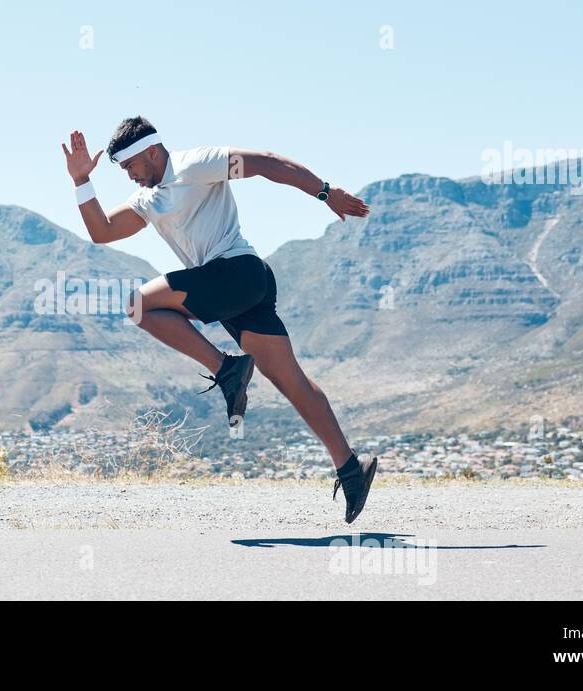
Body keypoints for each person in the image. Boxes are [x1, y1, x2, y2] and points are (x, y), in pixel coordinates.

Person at [61, 116, 378, 523]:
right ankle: (350, 468)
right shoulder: (147, 201)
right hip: (237, 289)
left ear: (151, 151)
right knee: (290, 381)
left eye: (130, 166)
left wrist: (325, 192)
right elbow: (101, 231)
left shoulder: (197, 164)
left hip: (238, 273)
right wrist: (80, 181)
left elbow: (265, 162)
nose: (129, 176)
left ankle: (227, 369)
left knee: (138, 305)